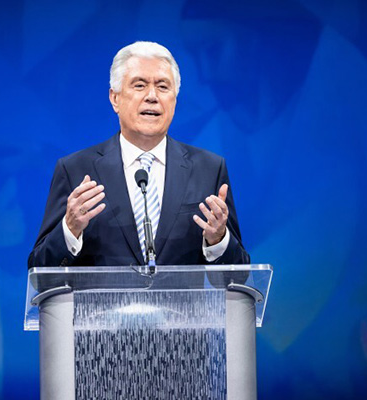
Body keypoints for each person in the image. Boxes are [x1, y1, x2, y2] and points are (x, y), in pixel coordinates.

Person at [28, 41, 249, 268]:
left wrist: (218, 240)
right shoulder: (75, 170)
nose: (152, 96)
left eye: (163, 87)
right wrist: (70, 229)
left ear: (175, 100)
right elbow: (40, 268)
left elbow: (238, 274)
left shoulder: (209, 169)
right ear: (115, 98)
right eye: (140, 85)